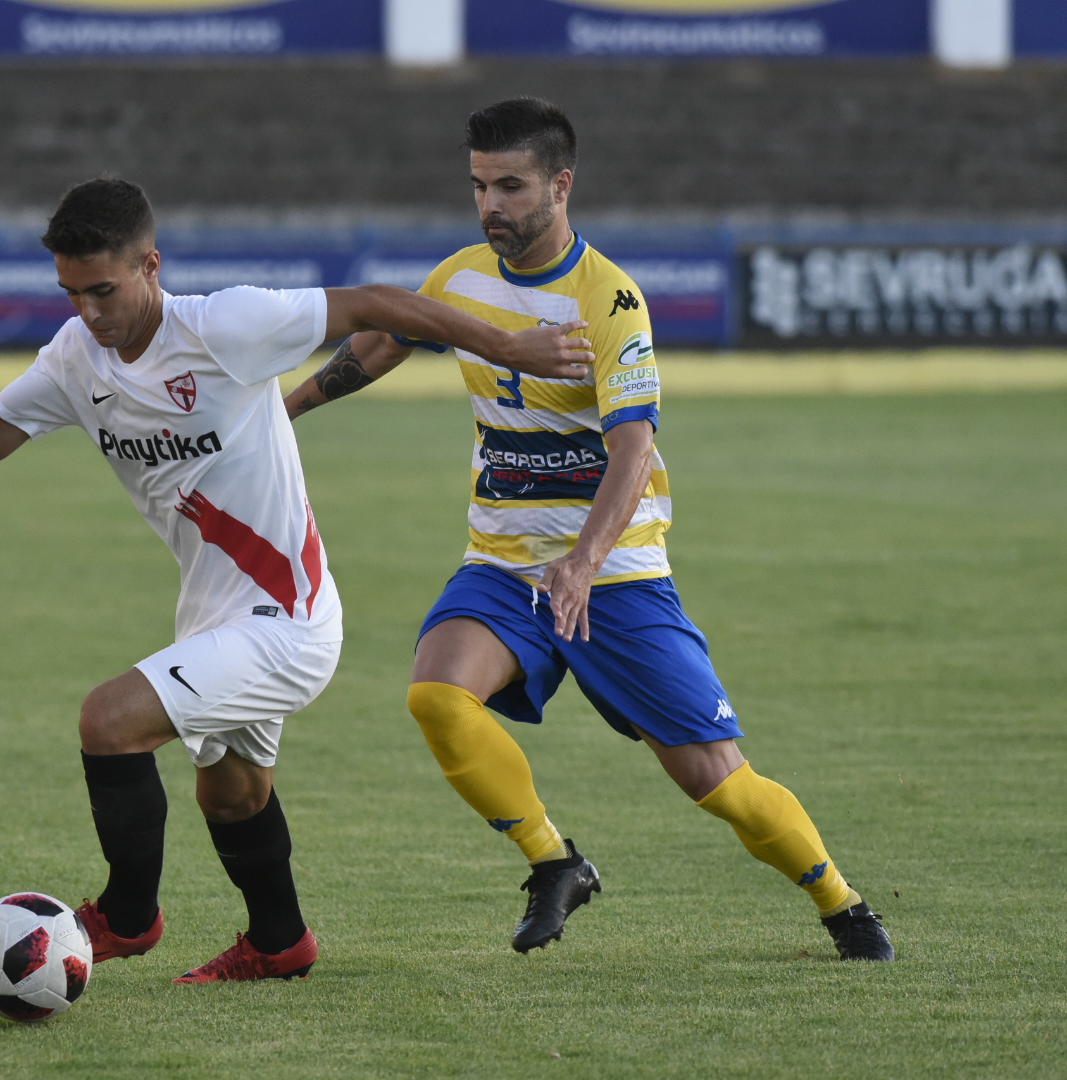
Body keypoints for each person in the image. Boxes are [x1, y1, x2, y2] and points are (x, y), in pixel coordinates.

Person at [0, 178, 585, 983]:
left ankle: (127, 918)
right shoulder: (76, 356)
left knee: (108, 721)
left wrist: (513, 346)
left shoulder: (224, 326)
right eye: (72, 294)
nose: (89, 311)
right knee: (233, 794)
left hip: (290, 621)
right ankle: (281, 944)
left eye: (104, 290)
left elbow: (378, 303)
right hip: (213, 614)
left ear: (151, 265)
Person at [284, 98, 894, 962]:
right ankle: (555, 863)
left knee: (716, 783)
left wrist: (583, 561)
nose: (491, 204)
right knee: (436, 695)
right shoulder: (458, 278)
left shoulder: (609, 300)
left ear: (560, 185)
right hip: (503, 563)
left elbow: (633, 449)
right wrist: (286, 410)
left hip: (615, 575)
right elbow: (380, 345)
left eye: (510, 186)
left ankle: (842, 902)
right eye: (478, 186)